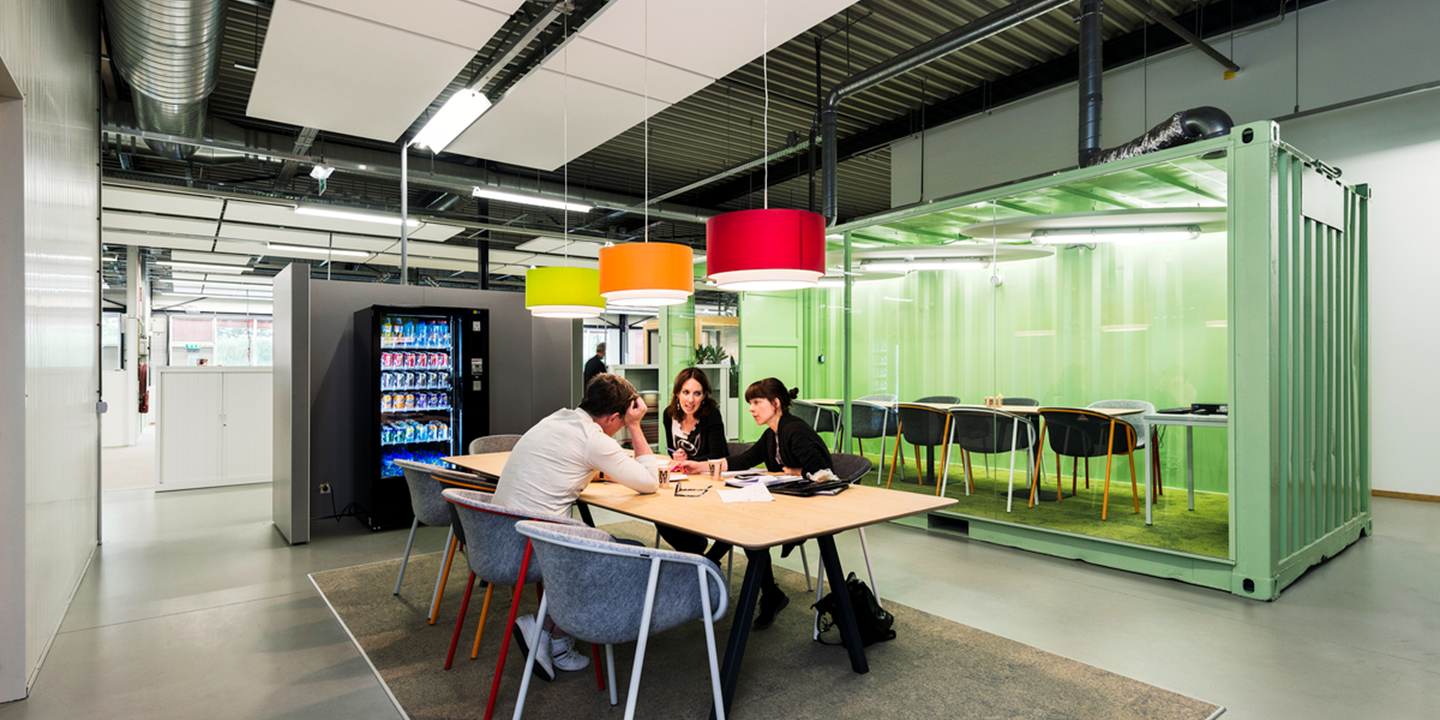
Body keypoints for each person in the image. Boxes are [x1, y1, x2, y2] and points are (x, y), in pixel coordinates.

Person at [494, 372, 657, 680]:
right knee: (623, 552)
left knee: (593, 542)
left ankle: (556, 640)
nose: (621, 428)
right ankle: (541, 626)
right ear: (613, 418)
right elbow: (649, 482)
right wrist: (636, 425)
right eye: (622, 423)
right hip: (534, 544)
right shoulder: (592, 439)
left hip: (501, 537)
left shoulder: (556, 419)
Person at [677, 377, 832, 630]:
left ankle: (708, 564)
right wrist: (700, 466)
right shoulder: (772, 434)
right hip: (785, 500)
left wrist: (794, 471)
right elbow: (743, 460)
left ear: (776, 403)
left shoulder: (794, 429)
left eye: (757, 402)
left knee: (745, 524)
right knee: (739, 518)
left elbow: (822, 472)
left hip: (813, 506)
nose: (751, 408)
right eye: (750, 403)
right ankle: (757, 587)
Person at [657, 367, 730, 564]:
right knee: (658, 513)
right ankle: (698, 556)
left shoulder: (711, 414)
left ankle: (703, 561)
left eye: (697, 393)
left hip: (711, 484)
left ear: (704, 395)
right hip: (684, 482)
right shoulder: (669, 415)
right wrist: (678, 456)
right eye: (686, 392)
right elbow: (672, 450)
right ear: (677, 393)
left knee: (731, 522)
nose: (690, 400)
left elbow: (718, 455)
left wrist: (693, 462)